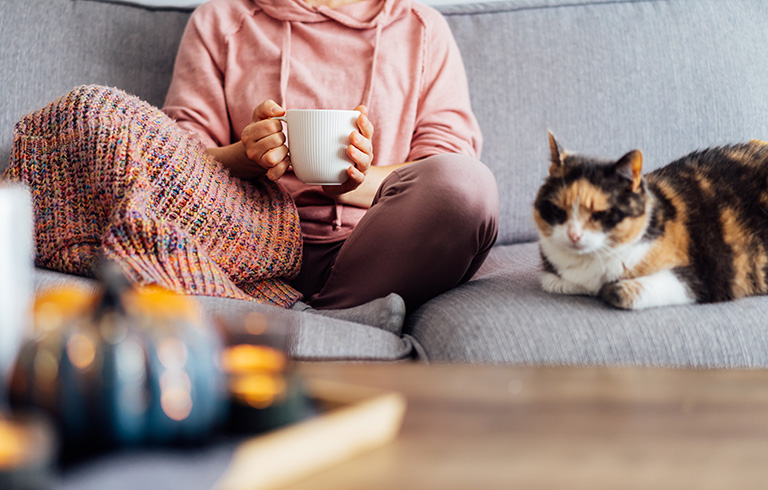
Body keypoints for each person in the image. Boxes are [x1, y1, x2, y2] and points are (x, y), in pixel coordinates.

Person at [162, 0, 500, 317]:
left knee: (467, 184)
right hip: (250, 241)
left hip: (376, 248)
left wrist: (349, 184)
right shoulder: (221, 19)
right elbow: (172, 157)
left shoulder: (421, 29)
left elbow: (442, 161)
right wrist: (244, 156)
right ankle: (345, 325)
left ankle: (317, 322)